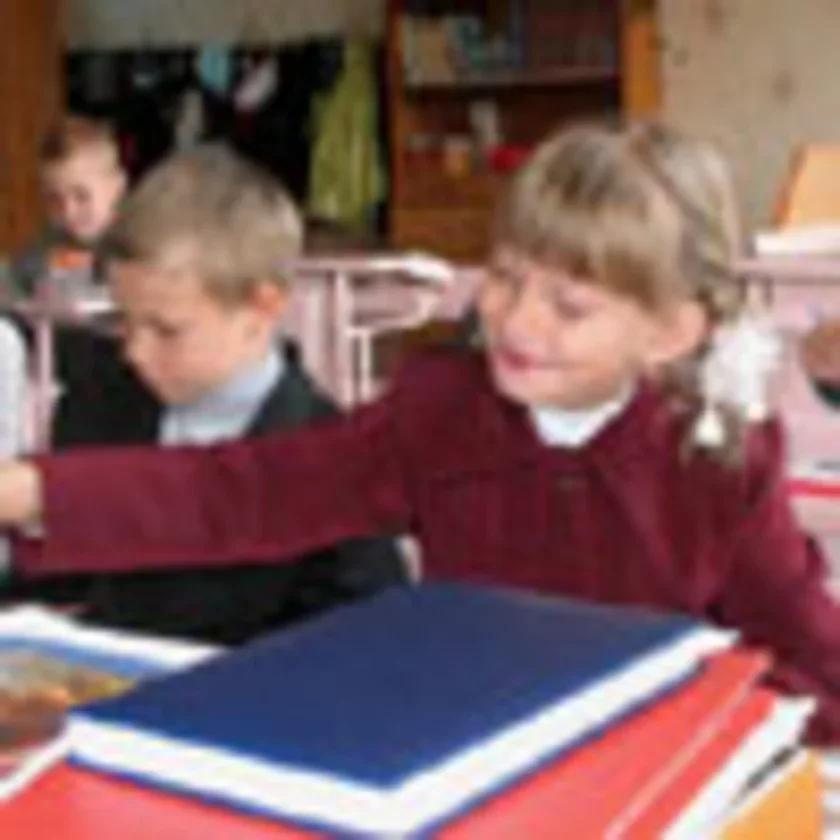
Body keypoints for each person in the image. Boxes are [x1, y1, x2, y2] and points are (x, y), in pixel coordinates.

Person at [2, 122, 840, 740]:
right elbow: (245, 490)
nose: (517, 321)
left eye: (569, 306)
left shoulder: (720, 463)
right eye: (505, 277)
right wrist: (35, 491)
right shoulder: (442, 412)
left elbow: (807, 659)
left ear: (670, 332)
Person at [9, 144, 406, 645]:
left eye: (166, 330)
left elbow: (368, 647)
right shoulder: (97, 405)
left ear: (262, 310)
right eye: (123, 321)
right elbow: (55, 585)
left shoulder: (335, 472)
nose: (135, 351)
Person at [9, 115, 127, 297]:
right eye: (54, 199)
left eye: (81, 196)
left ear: (116, 186)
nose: (68, 211)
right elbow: (17, 278)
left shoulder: (134, 240)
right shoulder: (50, 239)